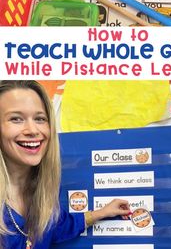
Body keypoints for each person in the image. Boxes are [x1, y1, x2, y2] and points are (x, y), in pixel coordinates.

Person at [0, 80, 130, 248]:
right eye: (16, 119)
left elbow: (55, 226)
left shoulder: (43, 189)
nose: (32, 130)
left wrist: (102, 212)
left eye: (40, 119)